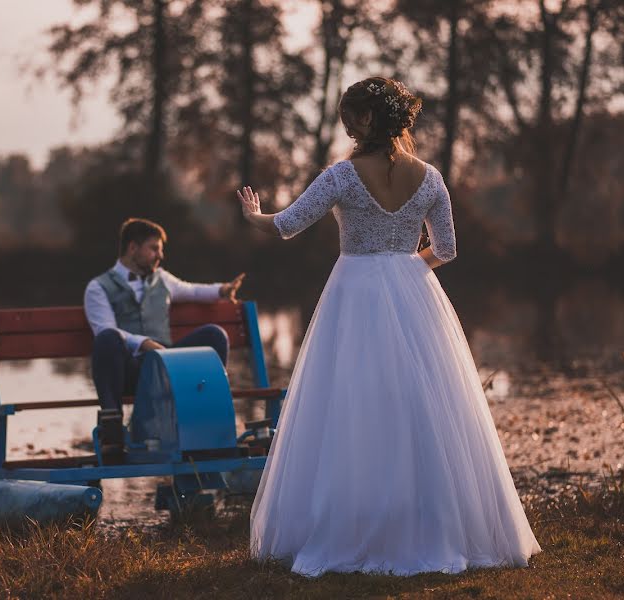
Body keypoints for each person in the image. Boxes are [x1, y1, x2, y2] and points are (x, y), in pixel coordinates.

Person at [237, 77, 541, 577]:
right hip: (414, 290)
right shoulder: (432, 179)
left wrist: (253, 216)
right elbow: (445, 250)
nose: (345, 125)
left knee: (351, 404)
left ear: (365, 120)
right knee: (422, 406)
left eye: (349, 116)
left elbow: (289, 223)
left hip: (353, 292)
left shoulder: (341, 176)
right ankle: (427, 522)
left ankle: (356, 521)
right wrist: (405, 267)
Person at [84, 218, 245, 460]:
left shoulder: (163, 279)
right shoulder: (98, 288)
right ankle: (113, 435)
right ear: (132, 248)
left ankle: (204, 426)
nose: (160, 255)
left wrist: (222, 290)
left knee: (214, 335)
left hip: (166, 370)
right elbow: (104, 328)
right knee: (107, 339)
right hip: (129, 372)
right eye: (154, 248)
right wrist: (143, 343)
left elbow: (191, 290)